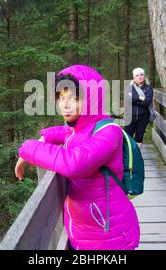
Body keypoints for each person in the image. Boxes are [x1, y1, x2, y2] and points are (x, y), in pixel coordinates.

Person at [15, 65, 140, 250]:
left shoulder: (109, 133)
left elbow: (74, 163)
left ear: (91, 99)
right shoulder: (81, 128)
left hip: (109, 237)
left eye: (74, 98)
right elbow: (69, 133)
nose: (65, 105)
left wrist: (28, 148)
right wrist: (46, 136)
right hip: (85, 233)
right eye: (61, 98)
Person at [124, 67, 154, 149]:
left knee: (139, 137)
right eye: (137, 75)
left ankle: (137, 155)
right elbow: (128, 99)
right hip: (130, 116)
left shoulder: (148, 88)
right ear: (134, 77)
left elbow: (147, 102)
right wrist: (140, 98)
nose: (139, 77)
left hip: (143, 117)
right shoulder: (129, 87)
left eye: (141, 75)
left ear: (144, 76)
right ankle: (129, 156)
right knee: (128, 137)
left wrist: (134, 99)